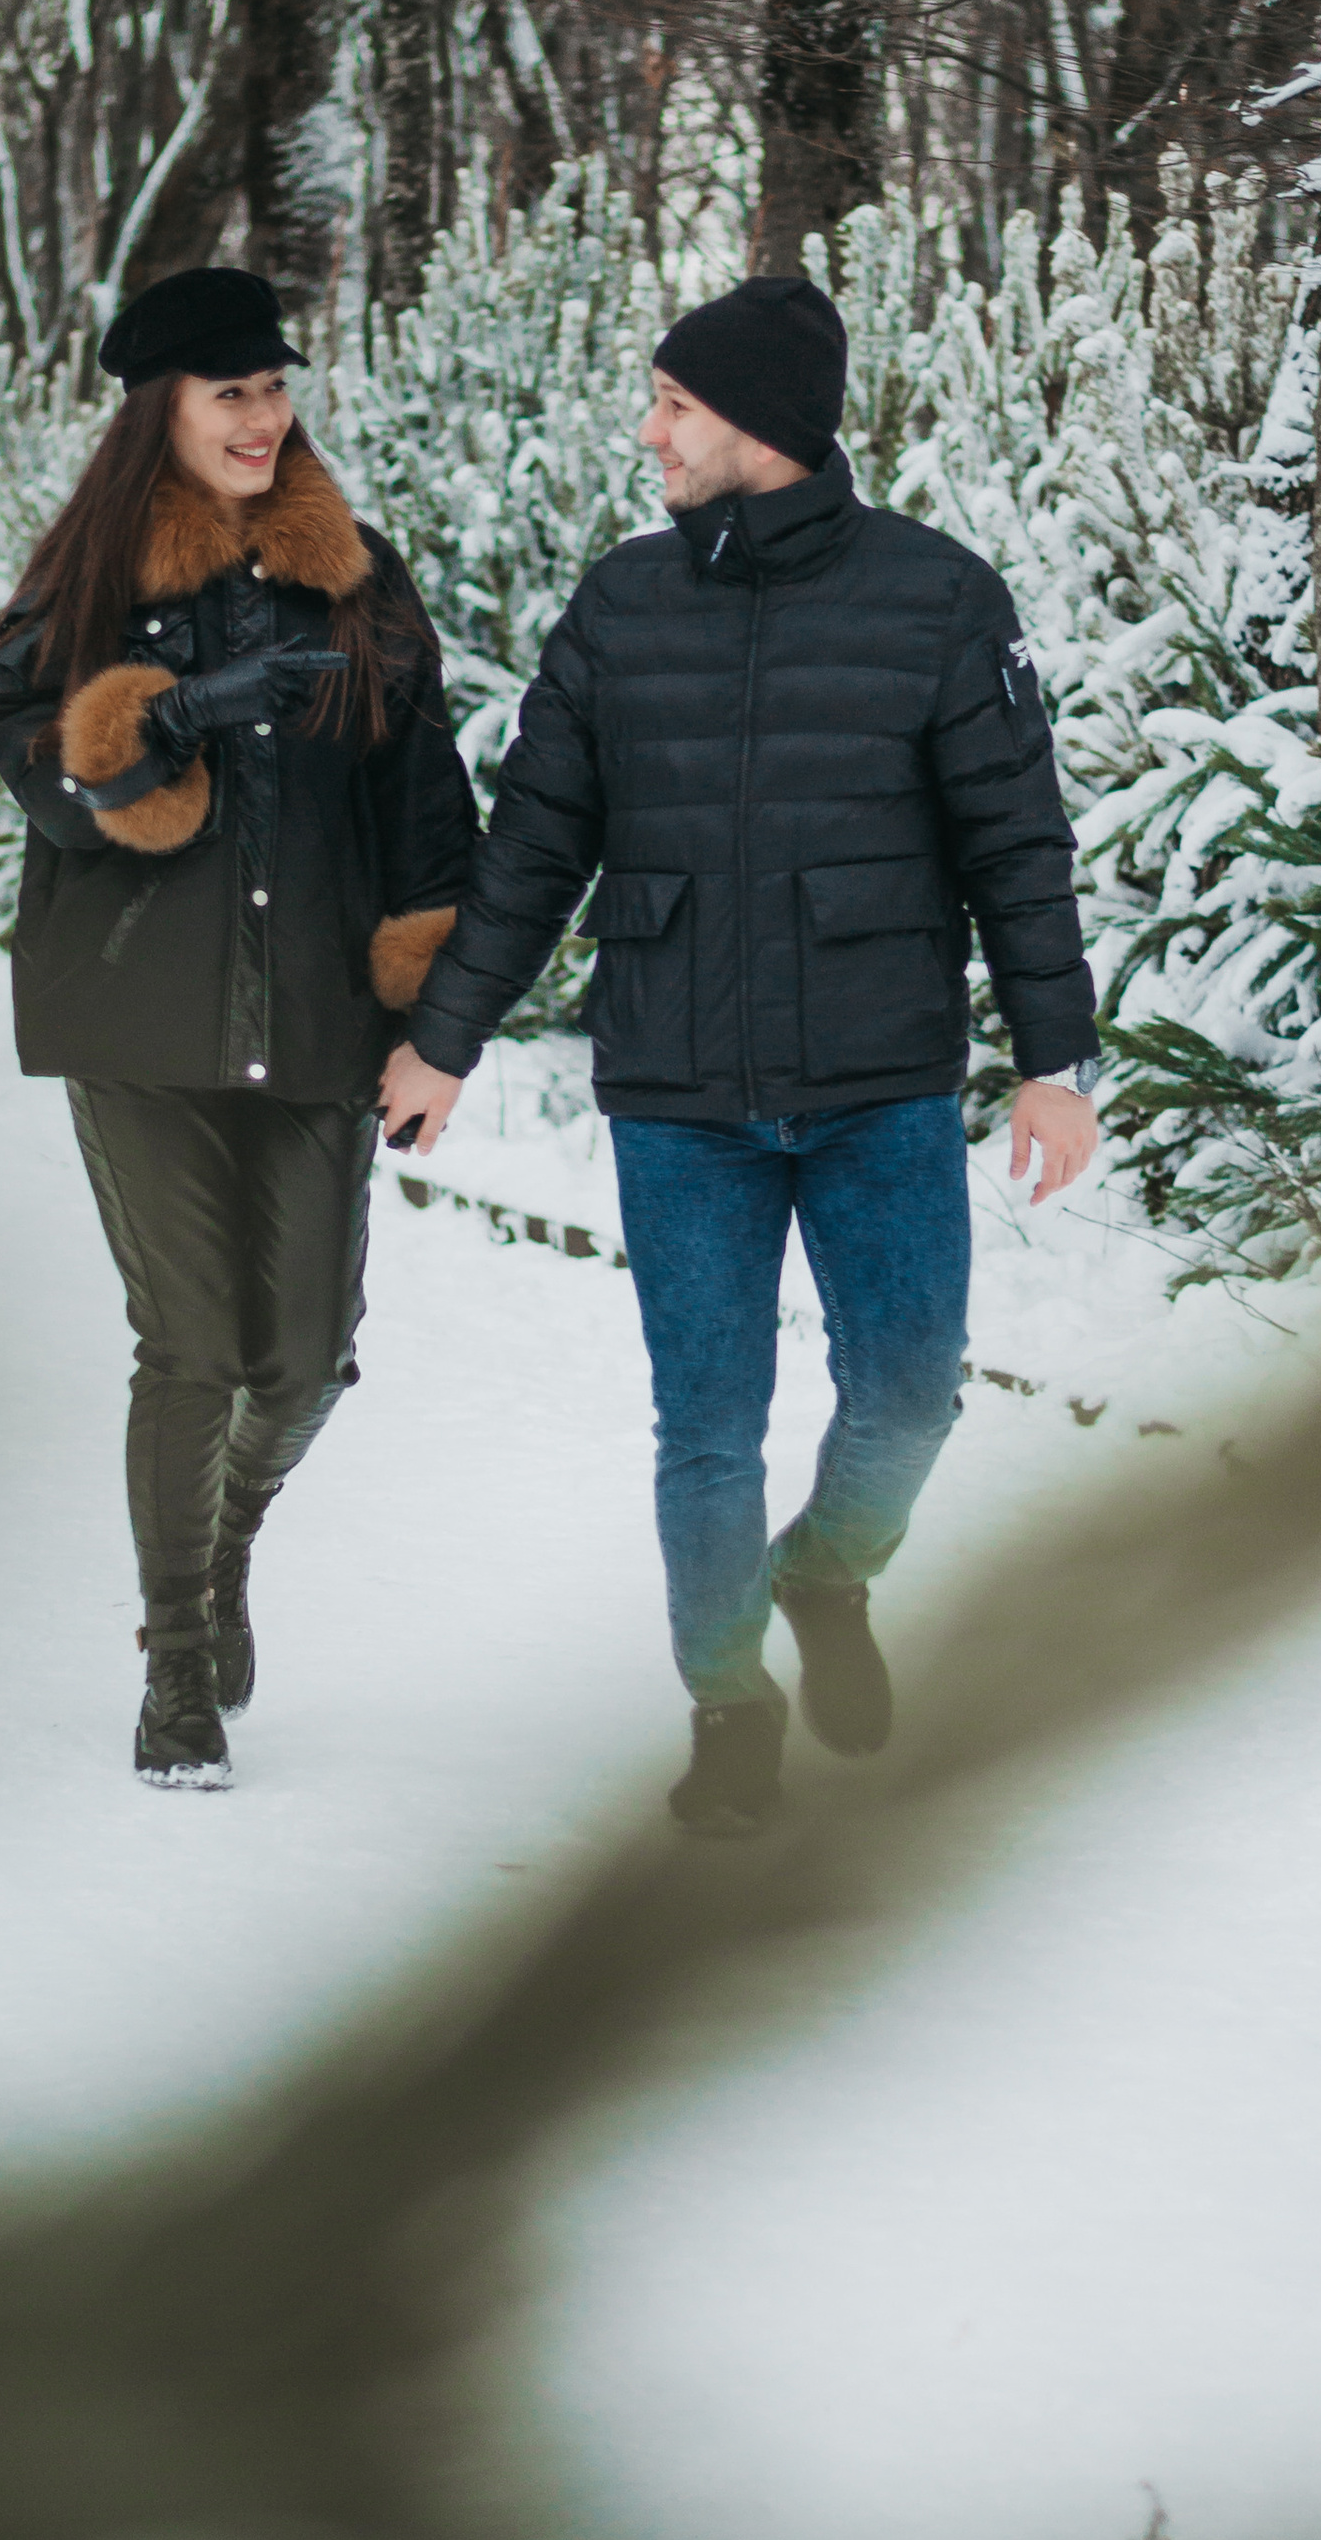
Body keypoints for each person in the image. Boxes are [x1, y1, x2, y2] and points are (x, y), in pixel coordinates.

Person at [379, 271, 1099, 1836]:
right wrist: (445, 1042)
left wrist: (1058, 1059)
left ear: (762, 425)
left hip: (879, 1084)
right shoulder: (620, 609)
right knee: (706, 1425)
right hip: (679, 1097)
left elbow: (1016, 844)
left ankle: (825, 1574)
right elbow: (531, 853)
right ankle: (729, 1703)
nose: (649, 434)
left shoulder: (937, 599)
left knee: (909, 1394)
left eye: (675, 407)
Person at [0, 266, 474, 1788]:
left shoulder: (359, 578)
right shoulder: (82, 583)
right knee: (192, 1343)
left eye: (274, 389)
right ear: (162, 414)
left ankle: (225, 1545)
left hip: (322, 1019)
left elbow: (424, 798)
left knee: (310, 1356)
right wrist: (171, 714)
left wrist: (435, 1018)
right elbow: (35, 774)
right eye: (228, 394)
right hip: (142, 1022)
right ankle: (177, 1666)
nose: (262, 419)